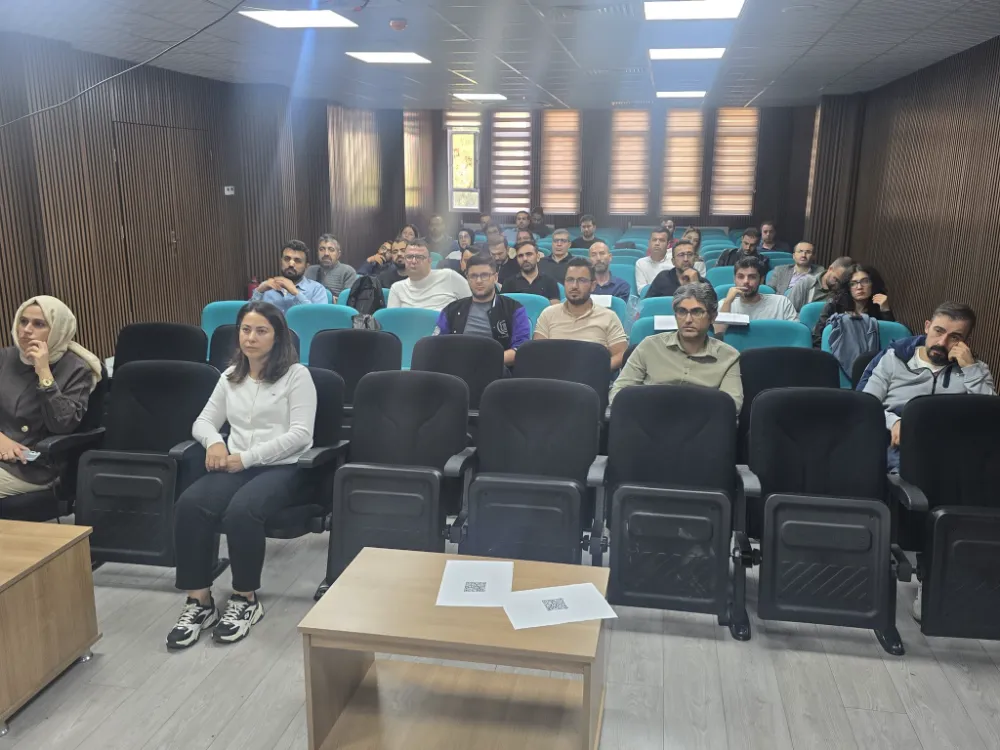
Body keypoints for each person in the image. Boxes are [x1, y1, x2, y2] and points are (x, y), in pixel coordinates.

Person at [168, 301, 316, 649]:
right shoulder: (231, 376)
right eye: (246, 330)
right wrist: (214, 443)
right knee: (190, 505)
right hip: (235, 463)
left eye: (261, 331)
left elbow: (301, 435)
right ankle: (199, 602)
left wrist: (246, 458)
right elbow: (203, 422)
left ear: (278, 336)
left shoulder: (297, 376)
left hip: (283, 467)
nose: (251, 338)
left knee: (242, 511)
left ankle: (245, 599)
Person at [859, 302, 996, 621]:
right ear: (926, 327)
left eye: (955, 337)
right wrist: (893, 421)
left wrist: (971, 370)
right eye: (939, 331)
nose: (943, 342)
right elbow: (865, 403)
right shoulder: (895, 358)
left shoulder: (974, 369)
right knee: (927, 491)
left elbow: (991, 417)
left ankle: (958, 574)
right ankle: (931, 571)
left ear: (965, 341)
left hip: (954, 450)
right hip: (899, 444)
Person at [0, 297, 102, 498]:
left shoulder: (76, 368)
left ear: (57, 329)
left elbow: (62, 424)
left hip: (34, 467)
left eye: (38, 324)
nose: (26, 330)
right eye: (23, 321)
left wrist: (44, 372)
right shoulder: (6, 357)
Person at [610, 283, 742, 410]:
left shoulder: (728, 357)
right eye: (682, 311)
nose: (688, 319)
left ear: (713, 317)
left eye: (697, 312)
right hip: (649, 419)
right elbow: (618, 393)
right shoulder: (649, 346)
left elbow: (731, 405)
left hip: (701, 424)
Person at [434, 256, 531, 368]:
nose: (478, 281)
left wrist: (484, 362)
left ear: (495, 277)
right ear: (467, 279)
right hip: (457, 368)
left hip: (496, 369)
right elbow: (437, 345)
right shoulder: (452, 310)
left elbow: (520, 349)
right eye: (473, 276)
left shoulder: (514, 308)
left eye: (484, 275)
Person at [534, 258, 627, 371]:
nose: (574, 286)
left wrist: (599, 370)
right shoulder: (548, 314)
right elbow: (537, 352)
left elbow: (621, 354)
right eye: (570, 280)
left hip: (592, 377)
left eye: (582, 280)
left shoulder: (609, 317)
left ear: (593, 285)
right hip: (554, 376)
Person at [812, 264, 894, 346]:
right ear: (848, 287)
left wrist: (885, 311)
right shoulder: (834, 305)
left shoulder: (878, 306)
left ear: (873, 284)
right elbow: (817, 339)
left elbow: (890, 340)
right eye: (853, 283)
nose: (859, 287)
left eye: (865, 281)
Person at [716, 257, 798, 336]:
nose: (746, 281)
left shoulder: (781, 303)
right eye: (740, 277)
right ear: (734, 279)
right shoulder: (724, 305)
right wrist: (728, 302)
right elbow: (718, 335)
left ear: (761, 280)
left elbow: (796, 334)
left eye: (752, 277)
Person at [387, 240, 472, 310]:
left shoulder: (449, 276)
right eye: (409, 257)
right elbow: (392, 322)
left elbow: (473, 305)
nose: (413, 261)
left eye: (419, 257)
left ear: (429, 261)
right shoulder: (397, 288)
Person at [251, 240, 328, 311]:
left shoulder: (317, 289)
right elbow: (249, 316)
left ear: (306, 266)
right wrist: (259, 291)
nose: (291, 264)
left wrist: (296, 293)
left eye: (297, 261)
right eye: (287, 259)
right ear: (281, 261)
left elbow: (318, 318)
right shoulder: (267, 288)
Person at [787, 256, 854, 311]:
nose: (838, 285)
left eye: (841, 282)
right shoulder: (806, 283)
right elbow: (788, 312)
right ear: (830, 269)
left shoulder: (843, 291)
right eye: (836, 279)